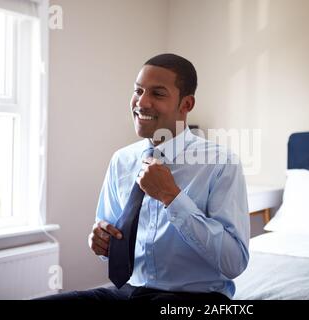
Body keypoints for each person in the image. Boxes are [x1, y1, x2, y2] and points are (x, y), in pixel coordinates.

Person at [38, 53, 250, 301]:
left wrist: (172, 197)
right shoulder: (122, 160)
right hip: (128, 292)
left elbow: (234, 262)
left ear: (186, 104)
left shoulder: (221, 164)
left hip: (194, 298)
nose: (142, 102)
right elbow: (109, 239)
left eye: (157, 94)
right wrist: (100, 242)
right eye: (138, 91)